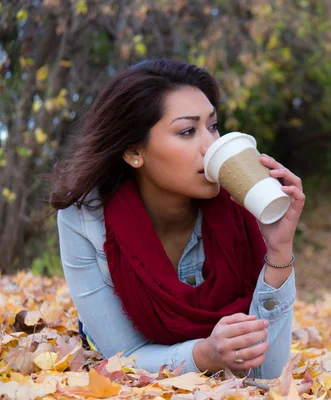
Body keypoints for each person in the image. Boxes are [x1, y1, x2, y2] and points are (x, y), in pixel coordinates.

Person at [50, 59, 305, 379]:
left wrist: (278, 250)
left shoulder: (244, 206)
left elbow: (266, 373)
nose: (211, 145)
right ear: (133, 152)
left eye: (212, 126)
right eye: (187, 131)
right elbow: (123, 359)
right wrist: (206, 354)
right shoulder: (85, 217)